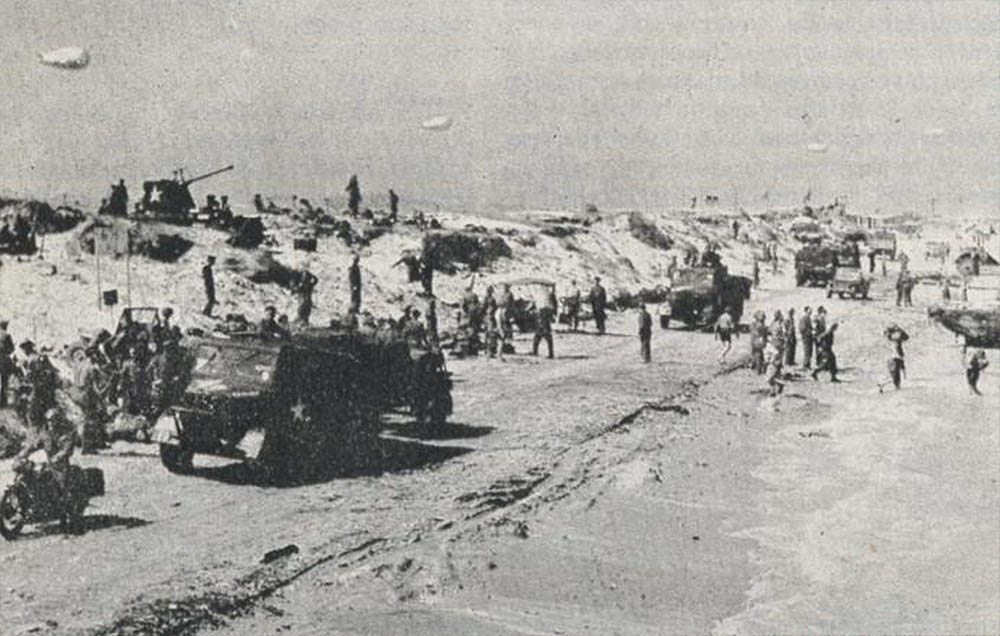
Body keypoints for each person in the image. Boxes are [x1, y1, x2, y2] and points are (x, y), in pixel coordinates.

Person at [14, 341, 79, 532]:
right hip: (49, 455)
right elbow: (35, 443)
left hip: (58, 462)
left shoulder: (63, 432)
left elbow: (68, 445)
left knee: (60, 486)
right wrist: (23, 453)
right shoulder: (46, 430)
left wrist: (60, 455)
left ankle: (67, 519)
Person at [884, 324, 909, 391]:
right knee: (896, 377)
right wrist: (900, 330)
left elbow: (905, 337)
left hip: (891, 359)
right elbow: (906, 337)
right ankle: (893, 388)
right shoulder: (896, 339)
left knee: (893, 376)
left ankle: (885, 386)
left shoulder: (889, 338)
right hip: (896, 358)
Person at [0, 319, 14, 408]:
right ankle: (2, 402)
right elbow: (12, 348)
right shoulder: (7, 335)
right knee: (5, 381)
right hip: (3, 360)